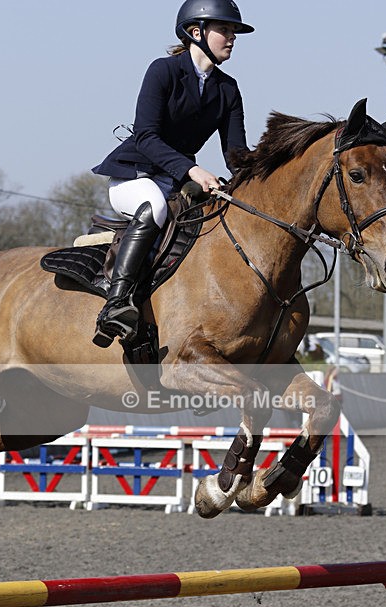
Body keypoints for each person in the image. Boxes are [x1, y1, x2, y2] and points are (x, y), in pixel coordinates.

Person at [91, 0, 254, 348]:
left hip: (176, 181)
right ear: (196, 32)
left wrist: (263, 179)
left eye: (233, 31)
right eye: (224, 29)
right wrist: (193, 169)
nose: (232, 37)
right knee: (155, 205)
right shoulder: (163, 71)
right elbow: (146, 136)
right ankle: (116, 302)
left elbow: (236, 155)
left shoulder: (228, 89)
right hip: (133, 177)